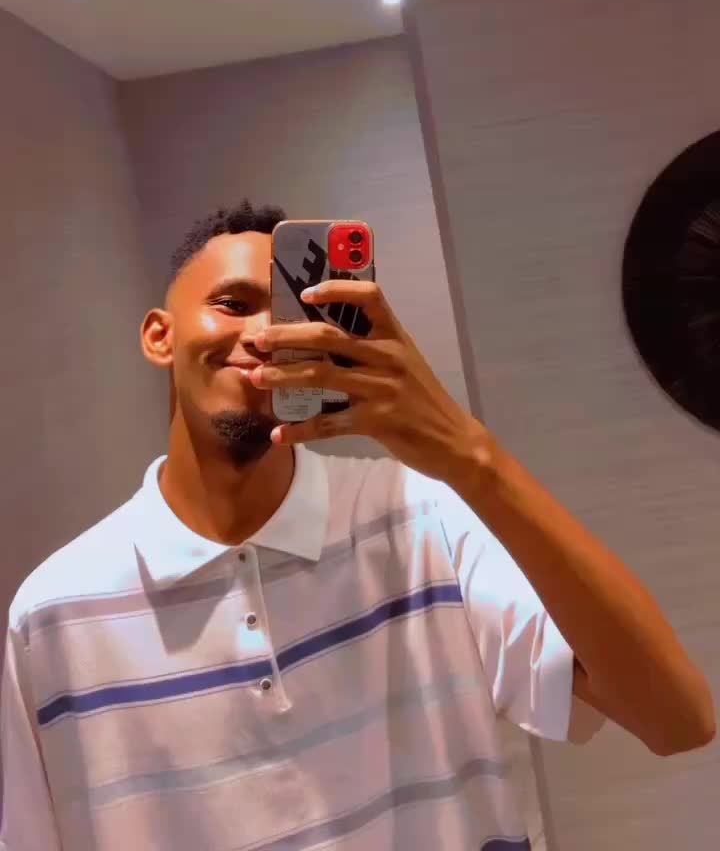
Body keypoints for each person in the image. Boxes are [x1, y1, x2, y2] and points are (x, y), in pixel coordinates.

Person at [0, 201, 714, 851]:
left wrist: (470, 456)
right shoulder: (53, 614)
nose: (264, 334)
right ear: (161, 336)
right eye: (232, 304)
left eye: (291, 312)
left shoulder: (424, 518)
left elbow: (677, 721)